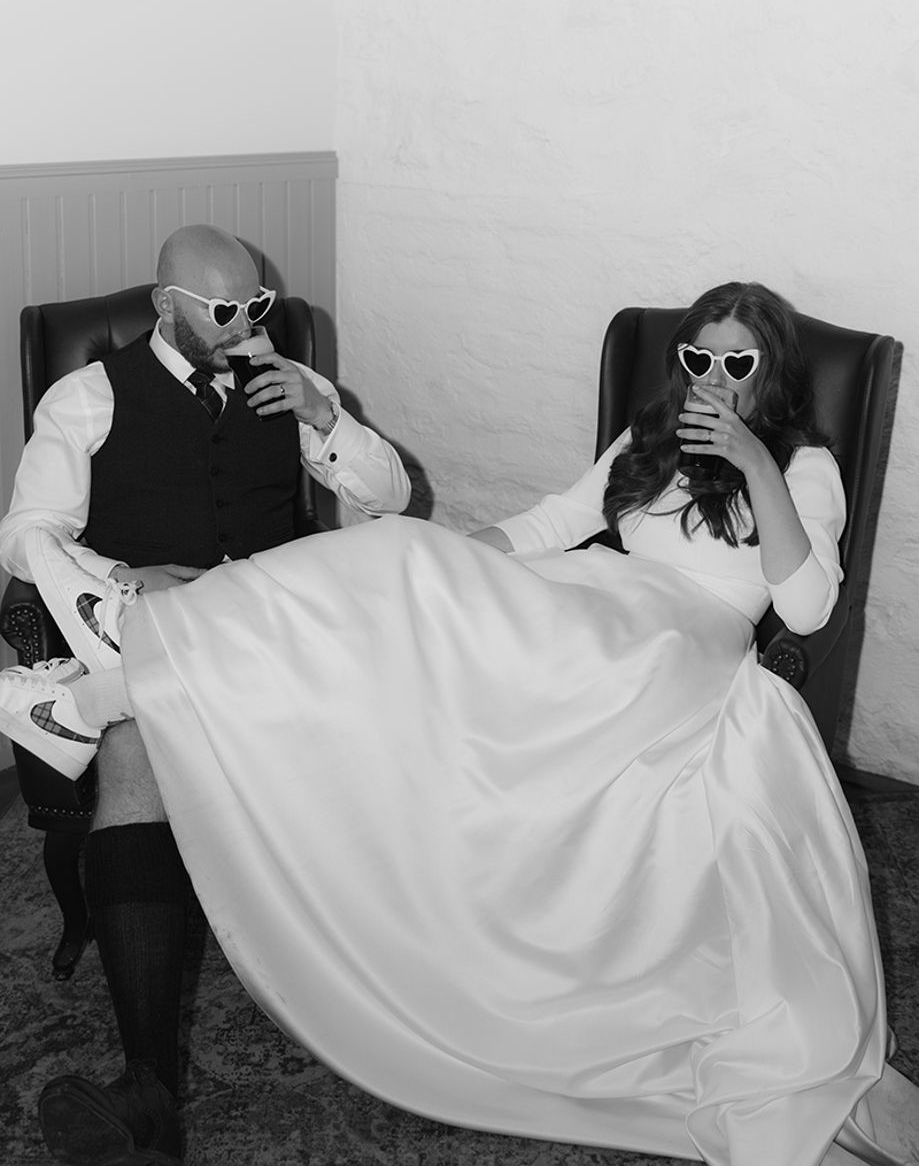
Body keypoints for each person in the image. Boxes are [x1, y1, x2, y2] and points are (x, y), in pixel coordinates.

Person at [3, 281, 918, 1166]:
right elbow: (555, 522)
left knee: (403, 572)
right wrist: (439, 557)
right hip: (592, 605)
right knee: (393, 559)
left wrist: (755, 463)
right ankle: (108, 682)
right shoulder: (650, 437)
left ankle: (100, 680)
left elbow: (805, 608)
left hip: (679, 642)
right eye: (697, 358)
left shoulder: (802, 466)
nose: (712, 378)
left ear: (773, 370)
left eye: (736, 362)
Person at [0, 224, 411, 1166]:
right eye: (223, 309)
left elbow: (389, 498)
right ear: (165, 305)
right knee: (133, 760)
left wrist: (324, 417)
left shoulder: (287, 384)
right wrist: (124, 575)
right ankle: (148, 1085)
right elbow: (27, 533)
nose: (244, 325)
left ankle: (407, 985)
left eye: (255, 305)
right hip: (161, 624)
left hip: (275, 628)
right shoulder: (88, 396)